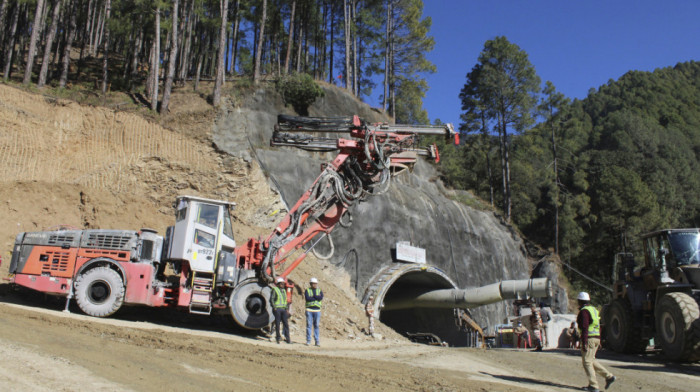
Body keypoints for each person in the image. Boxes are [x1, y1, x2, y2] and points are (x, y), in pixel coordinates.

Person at [577, 292, 616, 392]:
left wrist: (584, 341)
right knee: (591, 360)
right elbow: (599, 325)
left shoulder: (584, 311)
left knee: (586, 361)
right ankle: (609, 377)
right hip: (596, 338)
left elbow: (585, 326)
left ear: (580, 301)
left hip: (589, 338)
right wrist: (599, 339)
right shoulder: (593, 309)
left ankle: (593, 386)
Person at [271, 277, 291, 344]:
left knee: (286, 324)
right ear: (278, 284)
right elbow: (272, 299)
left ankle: (288, 339)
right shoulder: (275, 290)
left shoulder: (284, 291)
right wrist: (274, 307)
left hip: (283, 309)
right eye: (282, 284)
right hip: (278, 309)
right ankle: (278, 338)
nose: (283, 285)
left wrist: (286, 309)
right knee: (277, 324)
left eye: (283, 284)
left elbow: (285, 301)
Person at [305, 277, 323, 346]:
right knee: (309, 325)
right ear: (310, 284)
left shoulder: (319, 290)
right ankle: (308, 340)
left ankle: (317, 340)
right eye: (313, 284)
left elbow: (320, 298)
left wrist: (314, 296)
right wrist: (316, 298)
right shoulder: (307, 290)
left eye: (315, 284)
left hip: (317, 310)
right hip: (309, 310)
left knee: (316, 325)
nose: (314, 285)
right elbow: (307, 298)